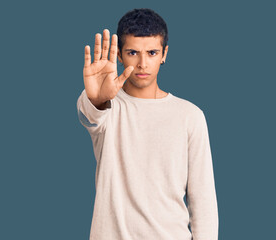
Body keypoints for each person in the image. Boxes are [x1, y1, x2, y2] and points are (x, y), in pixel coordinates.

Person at [77, 8, 218, 240]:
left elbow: (203, 202)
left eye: (152, 52)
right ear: (120, 56)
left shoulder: (190, 115)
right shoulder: (107, 106)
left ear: (164, 54)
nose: (142, 63)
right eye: (133, 52)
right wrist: (97, 98)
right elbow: (90, 114)